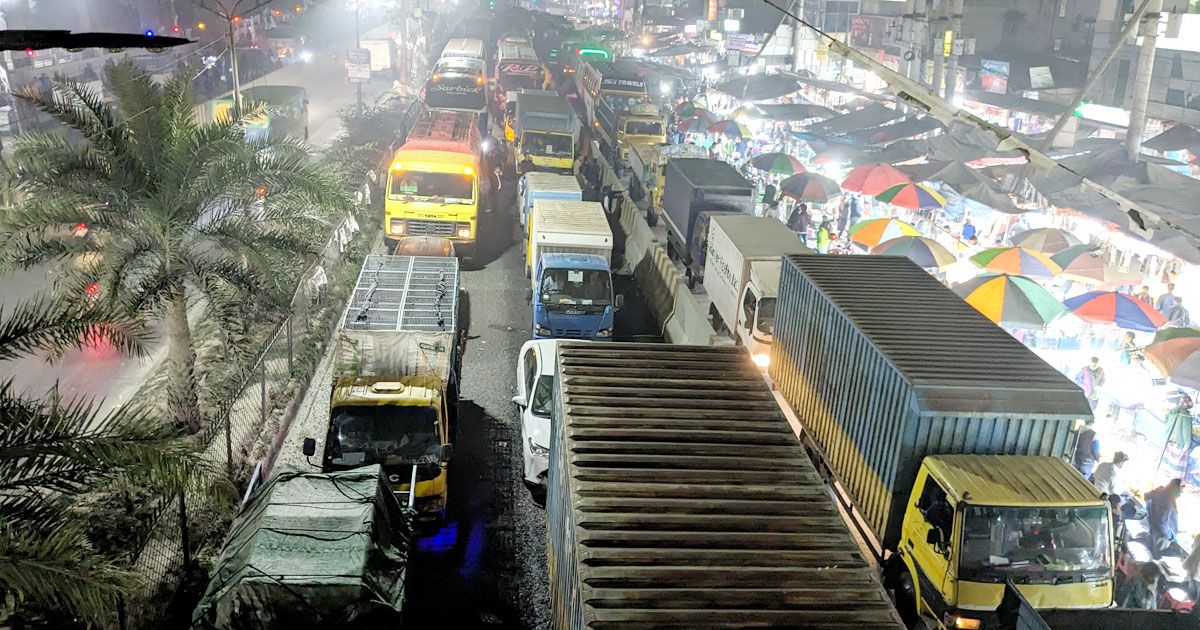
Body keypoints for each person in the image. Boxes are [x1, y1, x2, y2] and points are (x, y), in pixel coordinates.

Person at [1145, 479, 1183, 556]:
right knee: (1156, 554)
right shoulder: (1168, 501)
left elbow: (1146, 496)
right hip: (1161, 536)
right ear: (1175, 488)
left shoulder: (1160, 493)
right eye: (1181, 489)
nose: (1181, 492)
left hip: (1154, 530)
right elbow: (1163, 522)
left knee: (1152, 551)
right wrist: (1170, 536)